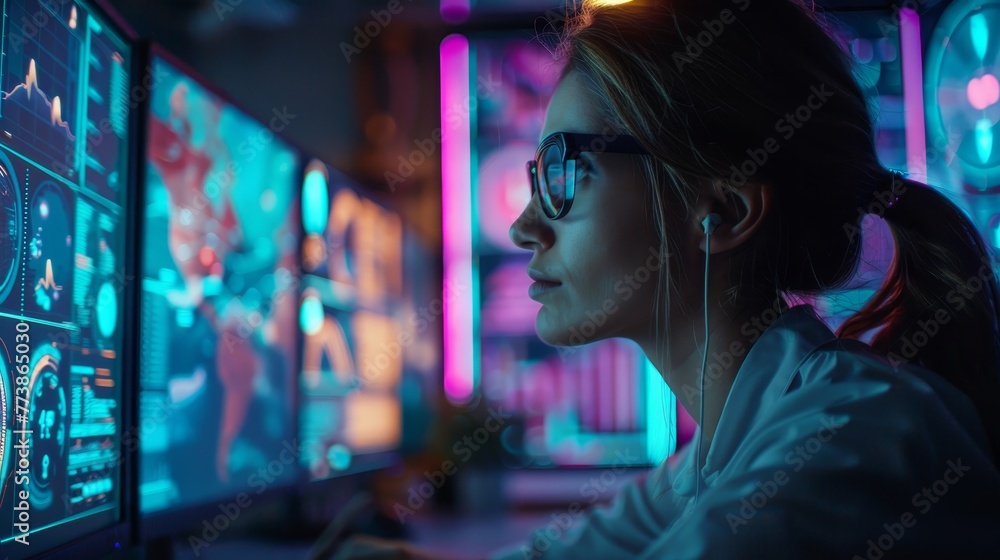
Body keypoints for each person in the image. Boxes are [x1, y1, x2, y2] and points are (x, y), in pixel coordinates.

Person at [331, 0, 1000, 557]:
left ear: (724, 209)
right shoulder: (730, 444)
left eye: (566, 172)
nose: (524, 226)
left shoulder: (850, 443)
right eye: (538, 177)